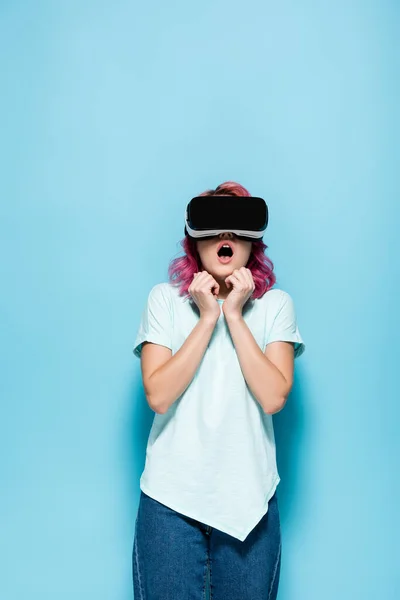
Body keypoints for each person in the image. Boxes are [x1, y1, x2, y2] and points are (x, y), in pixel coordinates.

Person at [132, 181, 305, 600]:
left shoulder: (275, 306)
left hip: (249, 501)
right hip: (169, 501)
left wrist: (234, 315)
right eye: (212, 225)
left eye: (237, 226)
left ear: (252, 244)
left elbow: (273, 397)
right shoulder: (164, 300)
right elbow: (158, 395)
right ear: (195, 240)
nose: (225, 237)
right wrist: (207, 318)